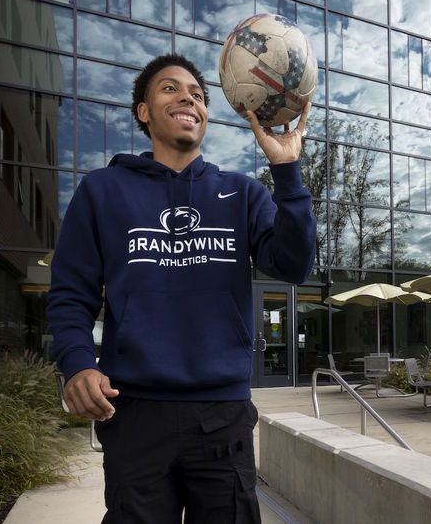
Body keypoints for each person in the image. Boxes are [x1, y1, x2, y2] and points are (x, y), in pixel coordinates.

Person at [47, 53, 316, 523]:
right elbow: (72, 292)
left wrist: (287, 171)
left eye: (197, 93)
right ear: (144, 112)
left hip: (222, 414)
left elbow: (294, 265)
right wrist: (76, 365)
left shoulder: (243, 193)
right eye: (170, 88)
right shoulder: (102, 190)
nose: (188, 96)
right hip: (132, 413)